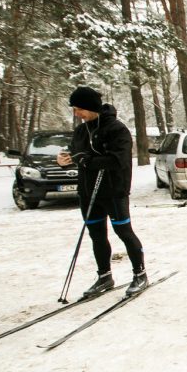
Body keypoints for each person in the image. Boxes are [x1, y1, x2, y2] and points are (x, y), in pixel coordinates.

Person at [57, 86, 147, 297]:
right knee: (96, 235)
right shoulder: (80, 131)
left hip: (113, 191)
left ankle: (140, 273)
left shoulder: (116, 129)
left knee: (124, 232)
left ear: (90, 107)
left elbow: (119, 160)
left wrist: (88, 160)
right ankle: (104, 276)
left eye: (79, 108)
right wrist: (64, 161)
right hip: (88, 192)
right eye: (74, 109)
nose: (76, 113)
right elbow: (75, 156)